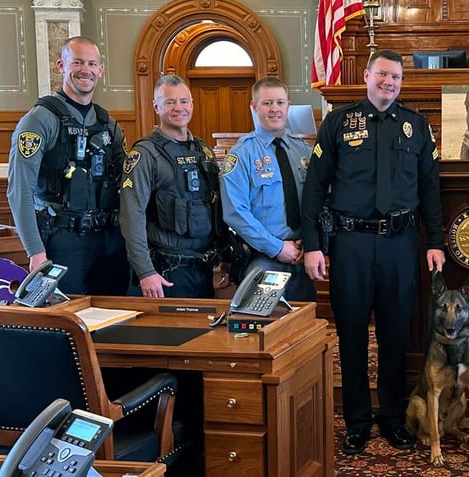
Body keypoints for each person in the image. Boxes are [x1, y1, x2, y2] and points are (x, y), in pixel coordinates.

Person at [301, 50, 445, 455]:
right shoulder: (339, 122)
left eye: (396, 76)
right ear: (367, 75)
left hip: (401, 243)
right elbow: (314, 187)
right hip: (351, 244)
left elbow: (430, 190)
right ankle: (357, 421)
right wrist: (312, 245)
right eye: (382, 74)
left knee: (397, 334)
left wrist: (436, 241)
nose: (389, 82)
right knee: (350, 335)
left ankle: (394, 419)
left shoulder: (416, 127)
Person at [6, 36, 129, 295]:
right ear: (61, 66)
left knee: (116, 319)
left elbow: (128, 181)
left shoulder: (109, 125)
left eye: (92, 63)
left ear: (100, 70)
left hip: (109, 241)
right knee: (67, 320)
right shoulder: (38, 121)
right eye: (78, 62)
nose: (86, 70)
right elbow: (19, 192)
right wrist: (35, 252)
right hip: (62, 241)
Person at [119, 74, 224, 298]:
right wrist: (145, 271)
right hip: (165, 272)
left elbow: (215, 206)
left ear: (192, 104)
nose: (179, 108)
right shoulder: (145, 154)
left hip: (203, 269)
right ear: (156, 106)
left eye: (184, 101)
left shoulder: (202, 150)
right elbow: (131, 216)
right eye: (170, 102)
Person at [219, 76, 315, 301]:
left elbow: (315, 201)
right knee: (262, 328)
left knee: (302, 330)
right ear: (254, 106)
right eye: (267, 103)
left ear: (288, 105)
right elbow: (236, 214)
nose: (275, 109)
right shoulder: (241, 155)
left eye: (280, 103)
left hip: (301, 258)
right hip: (263, 259)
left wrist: (309, 241)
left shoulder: (303, 152)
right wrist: (277, 248)